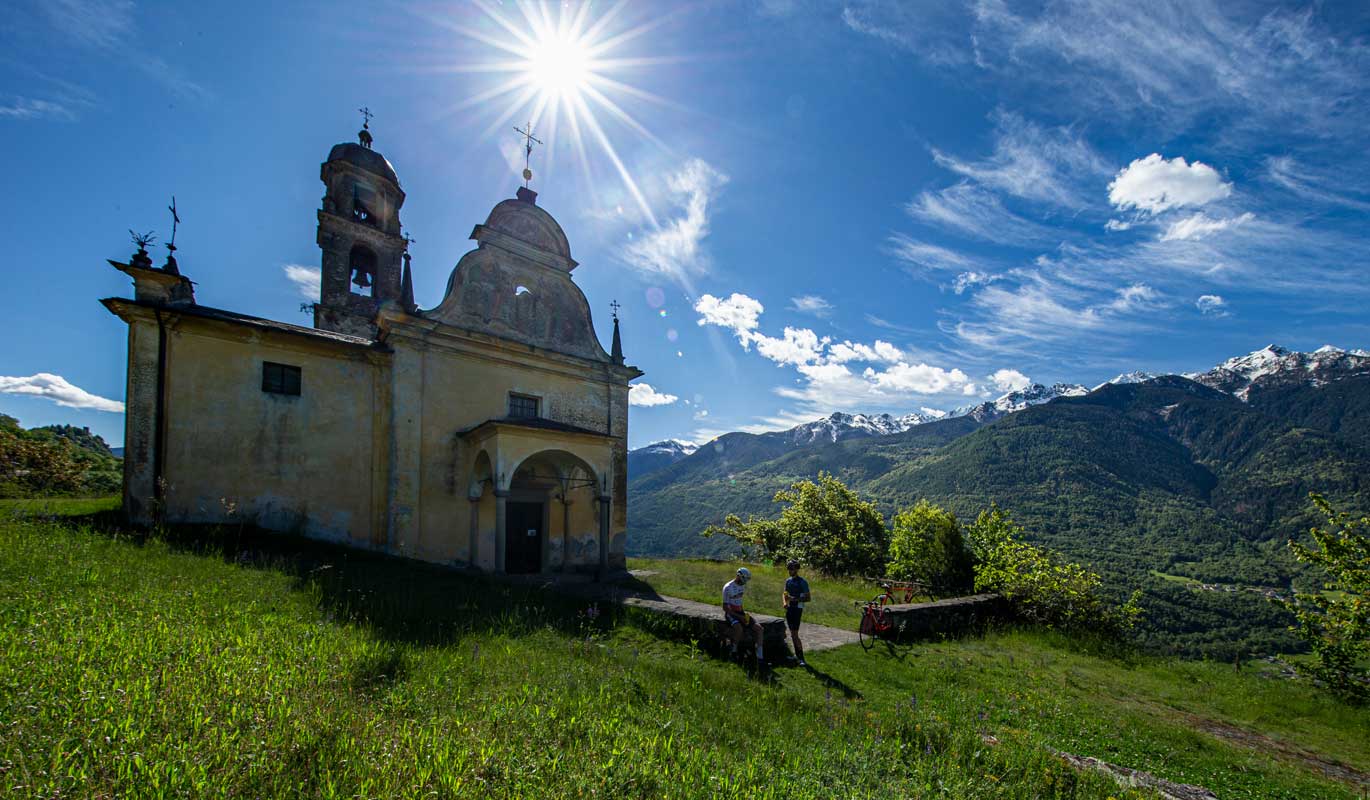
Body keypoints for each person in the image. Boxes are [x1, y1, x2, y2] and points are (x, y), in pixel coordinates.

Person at [722, 567, 764, 663]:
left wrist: (744, 614)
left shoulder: (742, 585)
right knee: (739, 628)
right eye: (743, 579)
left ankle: (760, 657)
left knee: (760, 629)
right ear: (738, 576)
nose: (744, 582)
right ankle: (733, 651)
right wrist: (739, 617)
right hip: (730, 613)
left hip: (740, 612)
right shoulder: (728, 587)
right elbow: (725, 608)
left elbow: (739, 602)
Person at [782, 559, 812, 667]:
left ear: (797, 569)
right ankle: (796, 656)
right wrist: (785, 602)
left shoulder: (802, 582)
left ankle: (801, 658)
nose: (790, 570)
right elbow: (784, 594)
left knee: (795, 634)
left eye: (792, 568)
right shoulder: (788, 581)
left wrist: (795, 599)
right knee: (792, 633)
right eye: (788, 568)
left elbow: (808, 598)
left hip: (797, 609)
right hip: (789, 609)